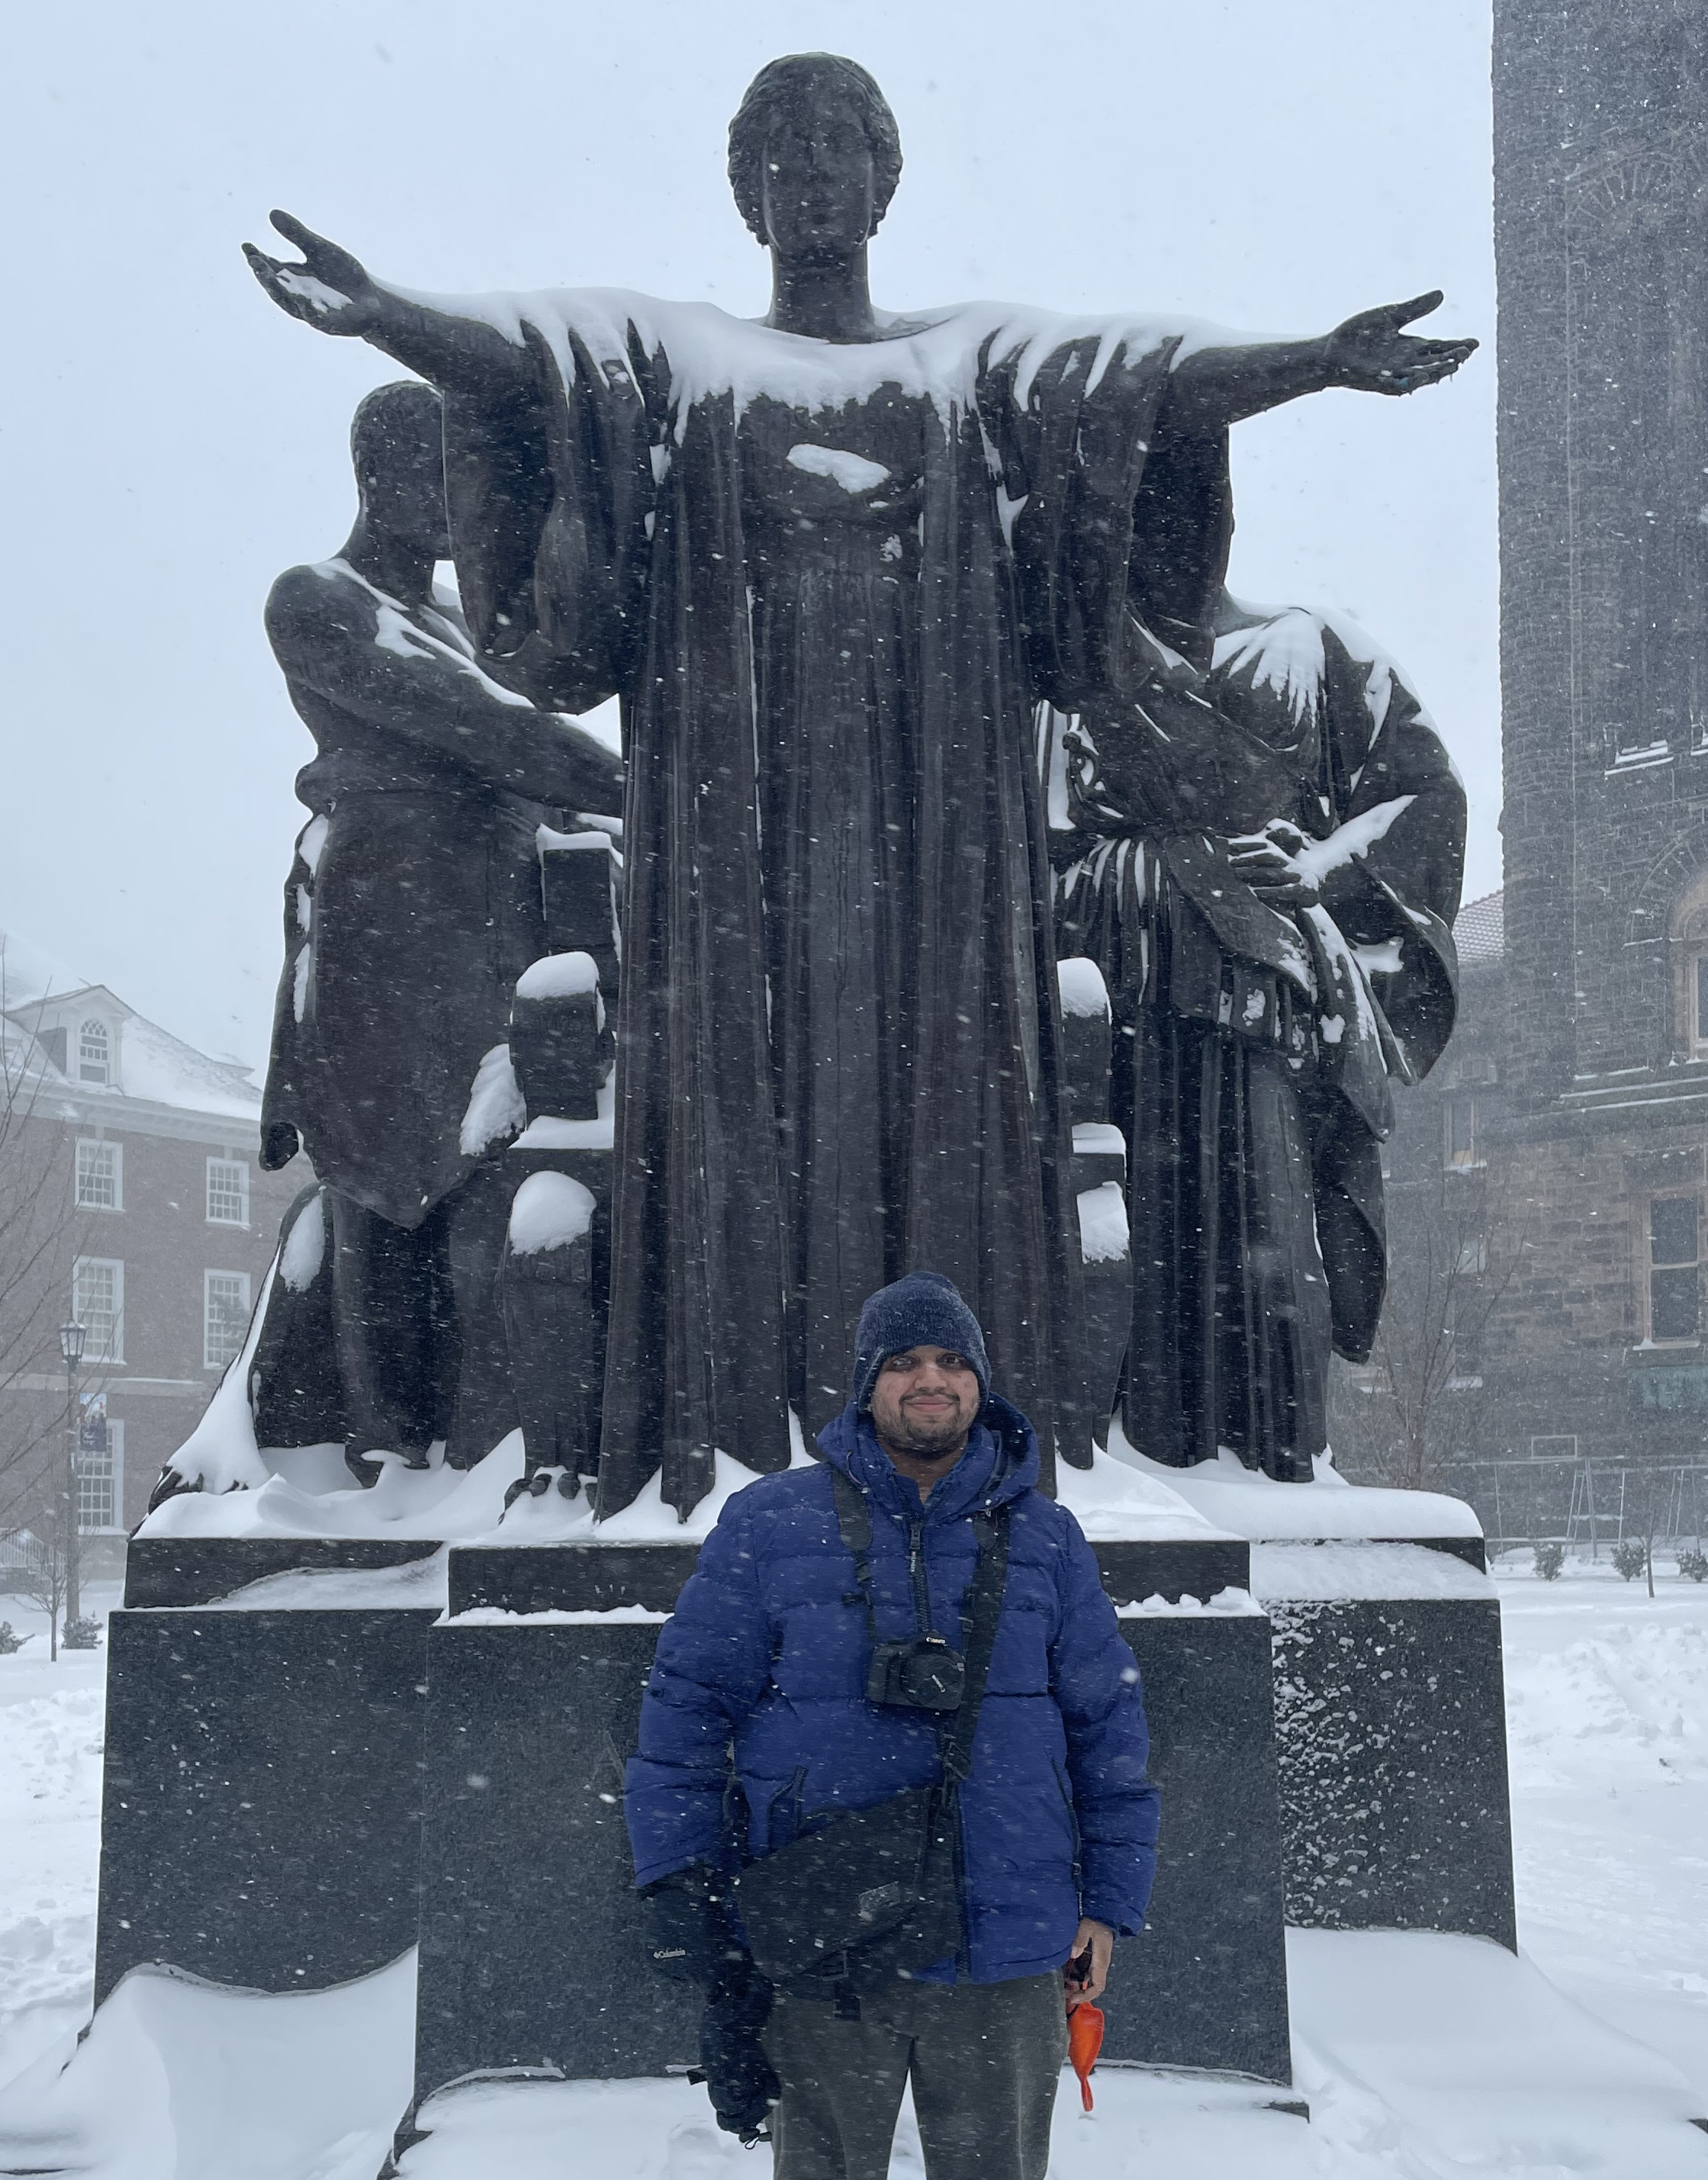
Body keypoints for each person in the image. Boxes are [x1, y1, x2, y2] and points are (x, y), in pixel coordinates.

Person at [245, 54, 1475, 1520]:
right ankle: (734, 1424)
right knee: (734, 1105)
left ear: (885, 179)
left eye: (836, 145)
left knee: (946, 1108)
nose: (808, 171)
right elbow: (535, 356)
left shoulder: (963, 366)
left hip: (934, 844)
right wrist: (384, 313)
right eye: (779, 149)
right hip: (735, 844)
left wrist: (1318, 359)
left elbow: (1134, 376)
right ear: (744, 187)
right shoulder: (687, 362)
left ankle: (953, 1443)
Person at [625, 1269, 1160, 2180]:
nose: (932, 1381)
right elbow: (683, 1708)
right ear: (864, 1384)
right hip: (830, 1946)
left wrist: (1107, 1896)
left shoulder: (1045, 1539)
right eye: (904, 1360)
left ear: (980, 1381)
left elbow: (1107, 1725)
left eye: (952, 1360)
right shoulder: (770, 1525)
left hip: (1007, 1936)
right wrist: (688, 1886)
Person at [259, 381, 622, 1474]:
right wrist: (663, 789)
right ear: (384, 480)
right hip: (391, 910)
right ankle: (382, 1448)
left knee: (493, 1152)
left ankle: (483, 1434)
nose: (472, 517)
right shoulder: (316, 598)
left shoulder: (461, 623)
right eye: (453, 486)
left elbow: (529, 738)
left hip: (494, 902)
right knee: (384, 1171)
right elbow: (492, 732)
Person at [1049, 590, 1466, 1479]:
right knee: (1107, 1228)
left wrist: (1320, 869)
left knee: (1265, 1242)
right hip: (1100, 986)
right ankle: (1115, 1454)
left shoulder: (1308, 641)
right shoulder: (1064, 646)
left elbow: (1426, 797)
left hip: (1255, 995)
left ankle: (1266, 1458)